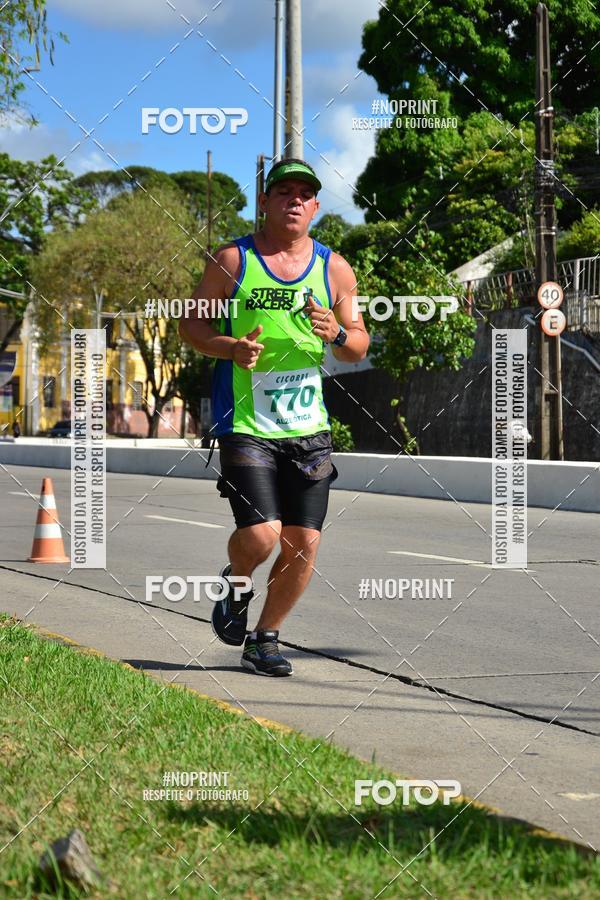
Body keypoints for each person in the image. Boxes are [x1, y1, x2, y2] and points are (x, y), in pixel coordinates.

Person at [179, 158, 369, 676]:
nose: (294, 201)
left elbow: (357, 345)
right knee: (263, 536)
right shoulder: (233, 259)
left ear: (315, 207)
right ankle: (237, 582)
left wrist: (335, 332)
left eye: (304, 194)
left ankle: (264, 640)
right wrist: (230, 348)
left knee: (304, 541)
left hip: (309, 430)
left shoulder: (334, 268)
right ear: (263, 202)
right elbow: (191, 327)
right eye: (283, 191)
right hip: (247, 425)